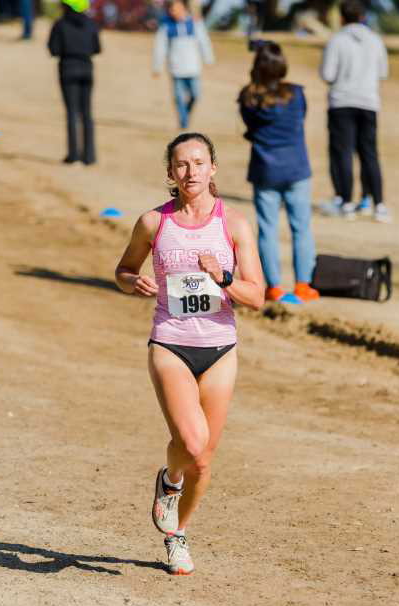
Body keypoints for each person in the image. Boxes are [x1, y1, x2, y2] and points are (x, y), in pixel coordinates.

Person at [115, 132, 264, 575]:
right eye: (182, 165)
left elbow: (256, 296)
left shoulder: (234, 224)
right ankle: (170, 480)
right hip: (171, 343)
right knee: (191, 441)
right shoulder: (152, 223)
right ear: (170, 173)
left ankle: (177, 533)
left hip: (220, 348)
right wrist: (132, 282)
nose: (191, 171)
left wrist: (222, 278)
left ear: (213, 168)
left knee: (202, 458)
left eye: (199, 163)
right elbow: (124, 270)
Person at [238, 41, 319, 303]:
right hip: (296, 168)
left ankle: (273, 286)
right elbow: (300, 119)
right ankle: (303, 284)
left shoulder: (248, 97)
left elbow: (249, 126)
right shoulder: (297, 94)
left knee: (267, 228)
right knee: (302, 227)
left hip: (265, 170)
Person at [319, 0, 391, 223]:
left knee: (342, 154)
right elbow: (383, 72)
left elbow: (327, 74)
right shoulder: (375, 40)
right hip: (368, 103)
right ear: (363, 17)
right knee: (369, 153)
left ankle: (346, 202)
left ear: (341, 17)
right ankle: (377, 204)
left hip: (342, 102)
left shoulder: (337, 40)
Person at [47, 0, 101, 165]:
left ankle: (73, 154)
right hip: (86, 70)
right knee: (87, 113)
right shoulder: (91, 23)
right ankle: (89, 156)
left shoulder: (60, 24)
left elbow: (53, 49)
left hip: (67, 70)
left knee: (72, 113)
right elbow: (97, 48)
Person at [152, 0, 214, 129]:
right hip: (176, 69)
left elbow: (204, 42)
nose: (172, 12)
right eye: (171, 9)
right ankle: (183, 122)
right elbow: (160, 47)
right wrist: (157, 67)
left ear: (183, 8)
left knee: (195, 95)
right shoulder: (166, 26)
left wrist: (208, 58)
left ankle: (186, 114)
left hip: (193, 68)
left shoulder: (195, 23)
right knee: (179, 98)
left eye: (175, 9)